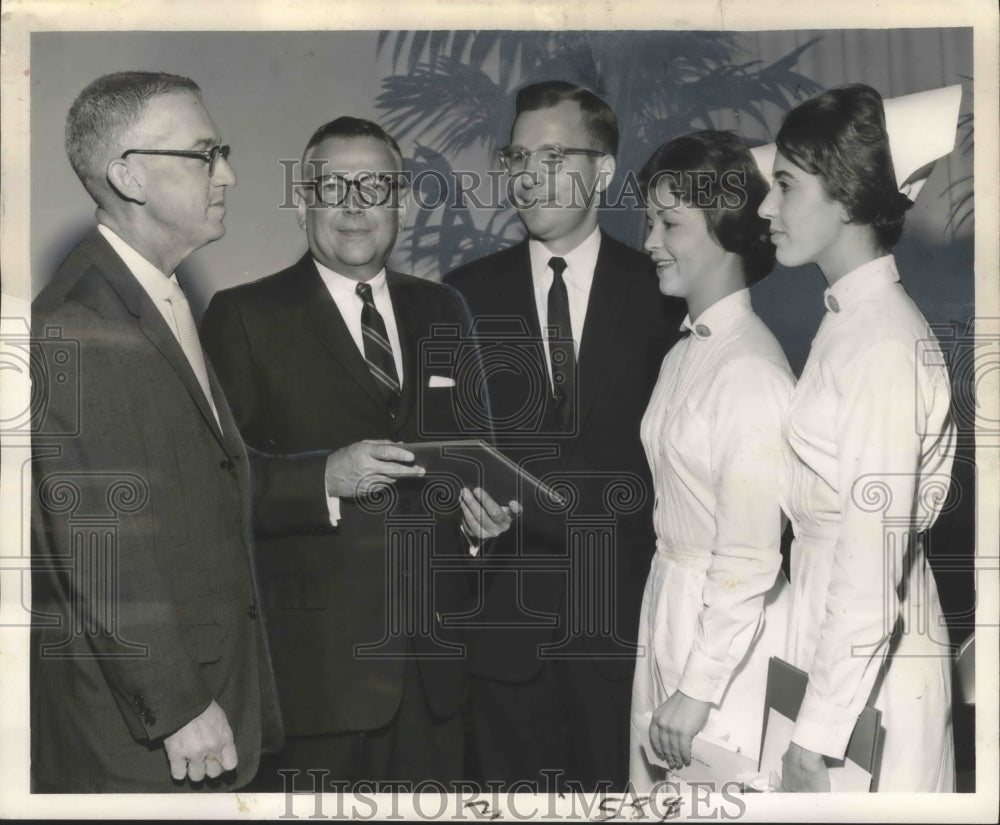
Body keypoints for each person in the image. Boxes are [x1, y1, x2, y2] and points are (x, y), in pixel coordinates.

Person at [200, 116, 515, 789]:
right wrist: (325, 478)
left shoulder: (444, 309)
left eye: (374, 187)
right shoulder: (243, 316)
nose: (353, 205)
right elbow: (211, 489)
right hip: (315, 682)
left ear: (400, 203)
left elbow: (472, 460)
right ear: (306, 201)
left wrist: (480, 520)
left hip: (434, 675)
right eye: (332, 186)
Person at [30, 70, 313, 792]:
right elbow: (99, 540)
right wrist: (180, 705)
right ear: (128, 175)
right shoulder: (83, 319)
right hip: (150, 736)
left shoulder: (153, 293)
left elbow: (206, 478)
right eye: (204, 154)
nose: (230, 174)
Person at [444, 80, 685, 791]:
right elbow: (445, 452)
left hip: (628, 635)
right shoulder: (462, 292)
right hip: (501, 642)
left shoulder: (662, 289)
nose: (527, 175)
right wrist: (464, 513)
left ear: (603, 171)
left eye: (552, 155)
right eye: (517, 156)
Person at [756, 83, 956, 792]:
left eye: (783, 185)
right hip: (832, 647)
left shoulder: (879, 343)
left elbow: (872, 570)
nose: (765, 208)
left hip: (868, 677)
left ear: (844, 195)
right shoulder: (847, 321)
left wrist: (813, 740)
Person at [628, 131, 793, 792]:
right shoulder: (683, 352)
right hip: (669, 604)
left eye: (669, 223)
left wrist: (697, 689)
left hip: (727, 645)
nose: (649, 241)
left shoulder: (751, 370)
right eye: (648, 222)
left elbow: (752, 558)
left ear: (727, 229)